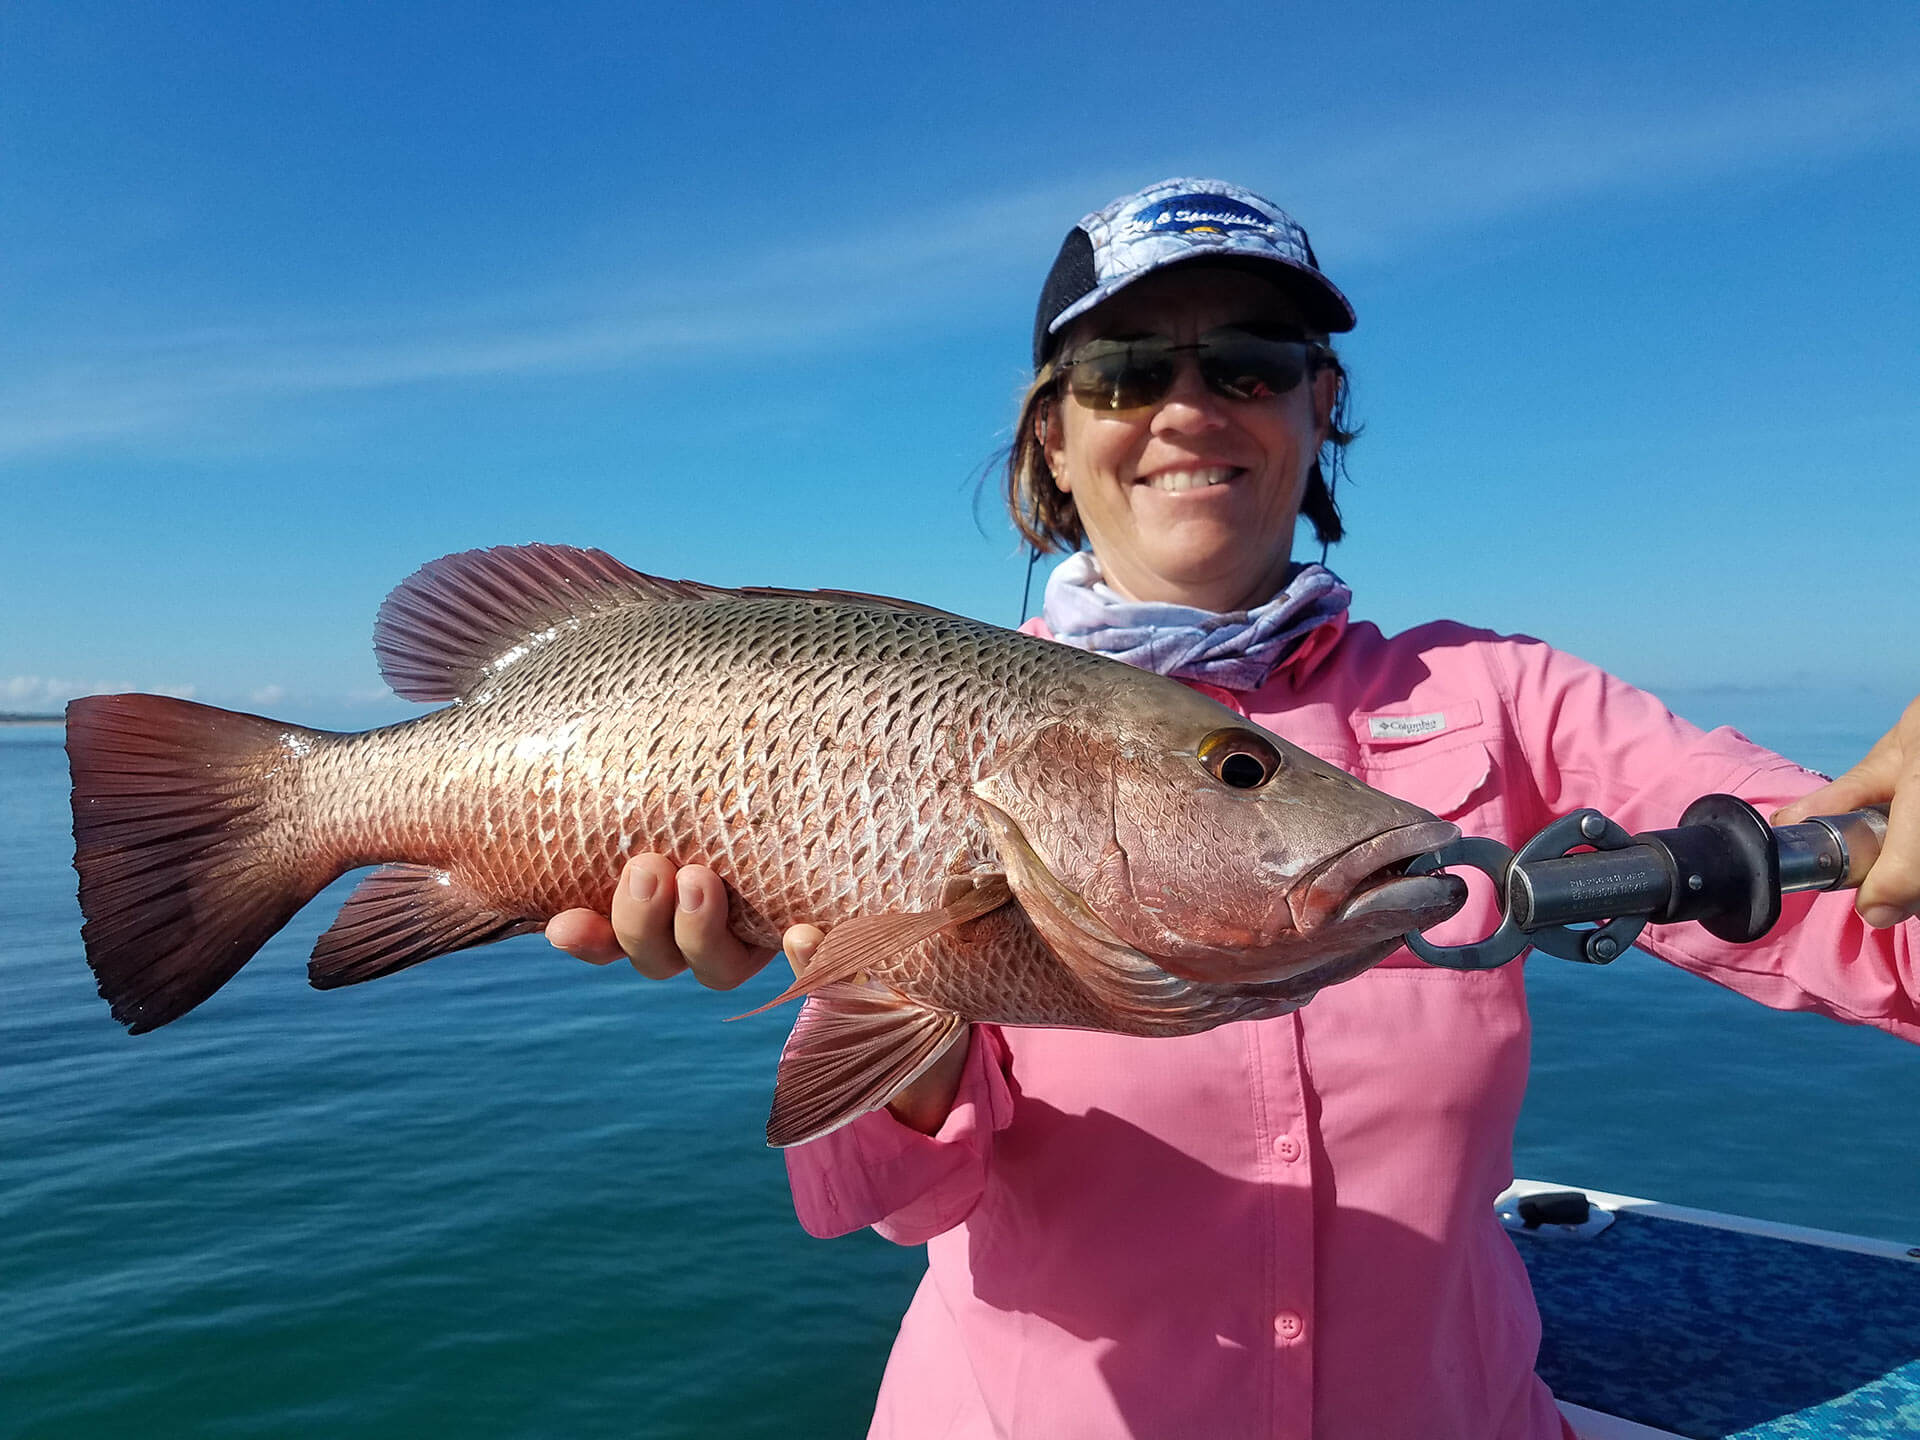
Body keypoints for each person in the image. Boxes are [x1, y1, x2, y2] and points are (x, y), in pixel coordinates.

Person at [546, 178, 1920, 1439]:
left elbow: (1869, 912)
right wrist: (889, 991)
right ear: (1054, 440)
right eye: (1130, 371)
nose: (1191, 406)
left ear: (1320, 408)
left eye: (1251, 364)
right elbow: (894, 1201)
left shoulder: (1507, 699)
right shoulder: (911, 729)